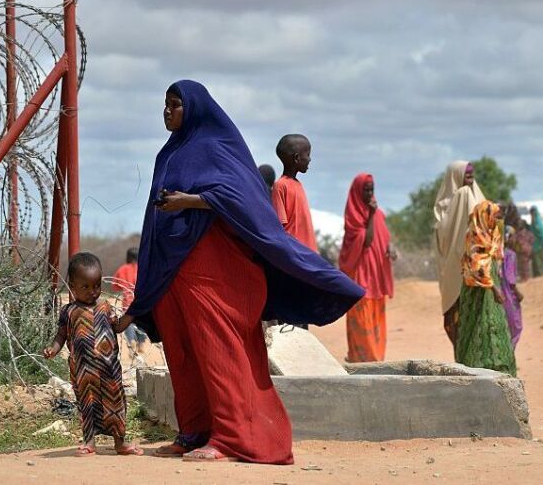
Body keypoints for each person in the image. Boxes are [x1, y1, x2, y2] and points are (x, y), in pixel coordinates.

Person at [112, 80, 363, 464]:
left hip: (214, 275)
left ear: (193, 109)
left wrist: (191, 201)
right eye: (164, 105)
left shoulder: (218, 147)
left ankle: (234, 440)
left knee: (219, 353)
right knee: (183, 355)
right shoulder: (170, 154)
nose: (167, 112)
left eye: (175, 105)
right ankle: (195, 432)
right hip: (175, 273)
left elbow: (242, 199)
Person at [43, 252, 142, 457]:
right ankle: (89, 442)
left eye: (96, 286)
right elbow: (61, 335)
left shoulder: (105, 307)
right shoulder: (68, 311)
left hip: (109, 369)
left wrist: (132, 313)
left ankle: (119, 443)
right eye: (85, 287)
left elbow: (118, 326)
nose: (92, 292)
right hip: (83, 372)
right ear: (72, 286)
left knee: (115, 404)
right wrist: (53, 349)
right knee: (86, 405)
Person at [339, 173, 395, 362]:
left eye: (372, 189)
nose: (370, 194)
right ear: (357, 191)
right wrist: (370, 215)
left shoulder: (378, 214)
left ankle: (377, 361)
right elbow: (367, 241)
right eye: (366, 189)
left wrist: (391, 248)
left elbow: (384, 237)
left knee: (377, 322)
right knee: (362, 322)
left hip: (376, 278)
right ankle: (362, 362)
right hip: (360, 278)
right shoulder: (353, 217)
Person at [456, 201, 516, 376]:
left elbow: (497, 255)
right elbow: (476, 267)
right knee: (478, 326)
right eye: (494, 217)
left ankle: (498, 364)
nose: (496, 222)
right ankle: (474, 367)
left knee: (493, 325)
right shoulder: (473, 236)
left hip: (491, 287)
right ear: (484, 217)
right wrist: (495, 289)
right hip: (477, 291)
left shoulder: (492, 235)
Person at [433, 161, 486, 354]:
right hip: (454, 272)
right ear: (456, 176)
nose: (470, 179)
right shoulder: (444, 207)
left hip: (475, 270)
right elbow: (445, 241)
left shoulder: (477, 198)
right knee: (459, 320)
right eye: (466, 175)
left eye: (472, 175)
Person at [271, 134, 317, 252]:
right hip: (295, 253)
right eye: (307, 155)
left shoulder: (298, 185)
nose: (310, 159)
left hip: (308, 252)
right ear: (296, 158)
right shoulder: (280, 186)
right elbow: (280, 226)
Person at [111, 247, 147, 354]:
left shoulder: (123, 269)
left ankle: (131, 341)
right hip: (141, 301)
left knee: (128, 324)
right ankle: (141, 343)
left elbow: (115, 286)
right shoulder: (143, 268)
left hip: (127, 301)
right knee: (142, 323)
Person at [501, 226, 524, 348]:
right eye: (513, 236)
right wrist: (518, 293)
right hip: (508, 294)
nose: (515, 239)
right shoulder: (510, 255)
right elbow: (510, 279)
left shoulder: (496, 253)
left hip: (499, 293)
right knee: (515, 326)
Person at [529, 206, 543, 277]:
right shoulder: (535, 221)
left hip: (539, 247)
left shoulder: (537, 223)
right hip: (535, 247)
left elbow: (542, 235)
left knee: (540, 266)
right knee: (537, 266)